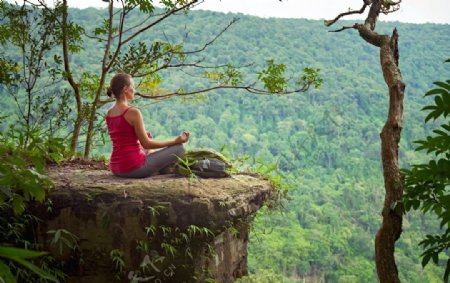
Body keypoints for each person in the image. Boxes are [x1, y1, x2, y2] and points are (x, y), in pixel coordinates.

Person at [105, 73, 190, 178]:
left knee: (148, 140)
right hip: (134, 168)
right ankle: (162, 168)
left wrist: (142, 138)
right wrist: (174, 141)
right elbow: (147, 144)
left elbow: (123, 139)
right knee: (179, 148)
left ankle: (162, 168)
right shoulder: (133, 112)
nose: (134, 90)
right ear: (125, 89)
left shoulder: (109, 113)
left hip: (116, 167)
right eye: (132, 87)